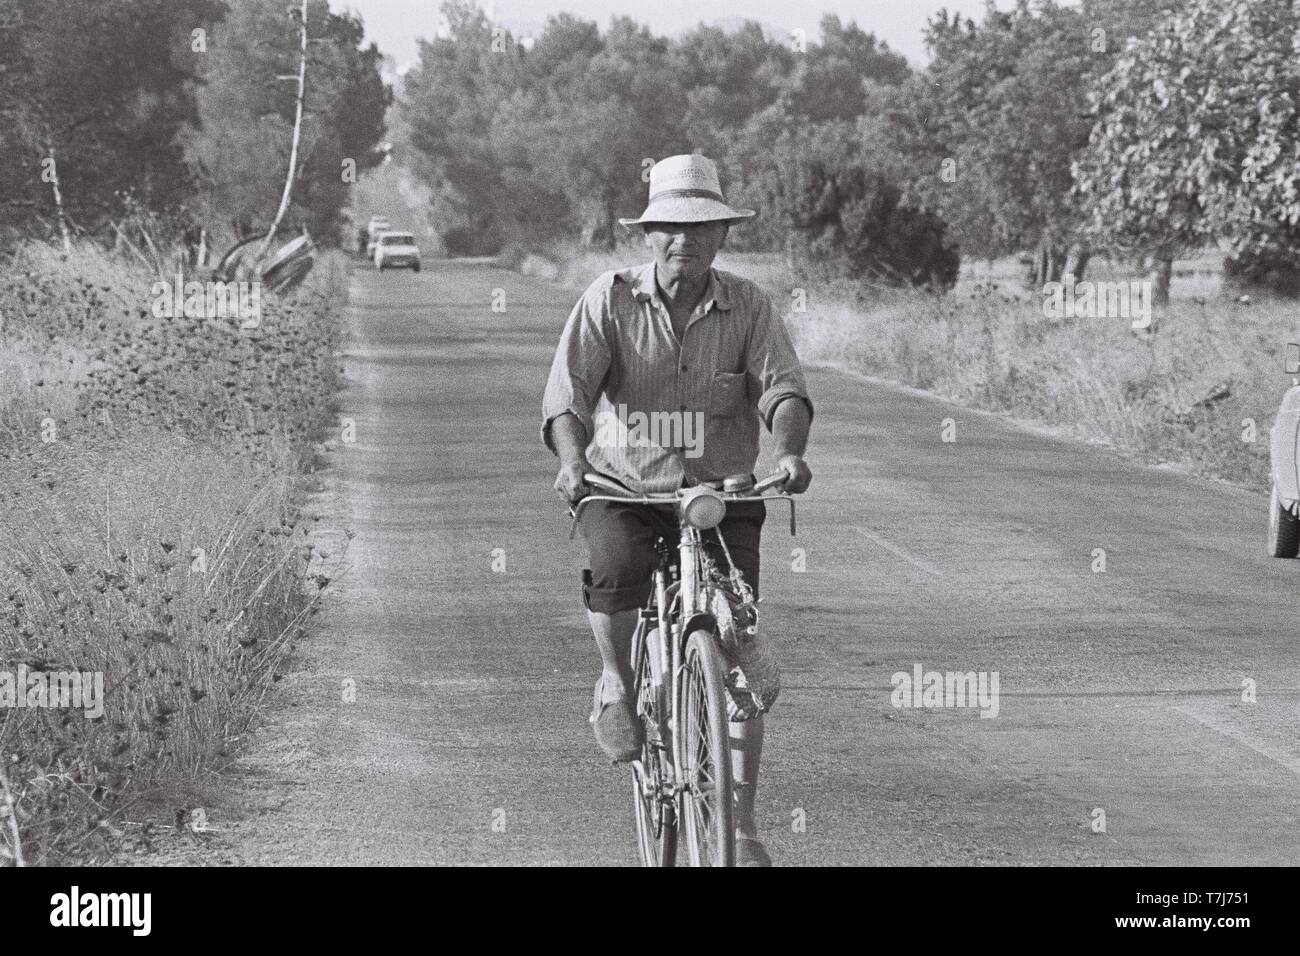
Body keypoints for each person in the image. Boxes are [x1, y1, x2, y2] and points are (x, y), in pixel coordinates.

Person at [540, 154, 813, 866]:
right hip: (625, 491)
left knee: (732, 648)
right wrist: (573, 463)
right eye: (669, 227)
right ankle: (619, 688)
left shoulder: (749, 307)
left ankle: (742, 827)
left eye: (700, 228)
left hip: (719, 499)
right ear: (649, 233)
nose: (683, 241)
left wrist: (787, 453)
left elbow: (783, 390)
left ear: (721, 237)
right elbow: (567, 398)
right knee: (618, 571)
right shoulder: (609, 300)